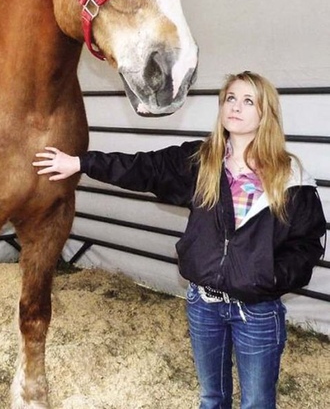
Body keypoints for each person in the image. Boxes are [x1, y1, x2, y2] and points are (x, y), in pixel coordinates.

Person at [33, 71, 326, 409]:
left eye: (249, 101)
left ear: (266, 114)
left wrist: (271, 277)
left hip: (257, 311)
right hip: (204, 305)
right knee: (211, 398)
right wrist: (81, 163)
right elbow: (143, 168)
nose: (236, 107)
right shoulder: (201, 161)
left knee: (257, 402)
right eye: (231, 98)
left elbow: (307, 241)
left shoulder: (290, 176)